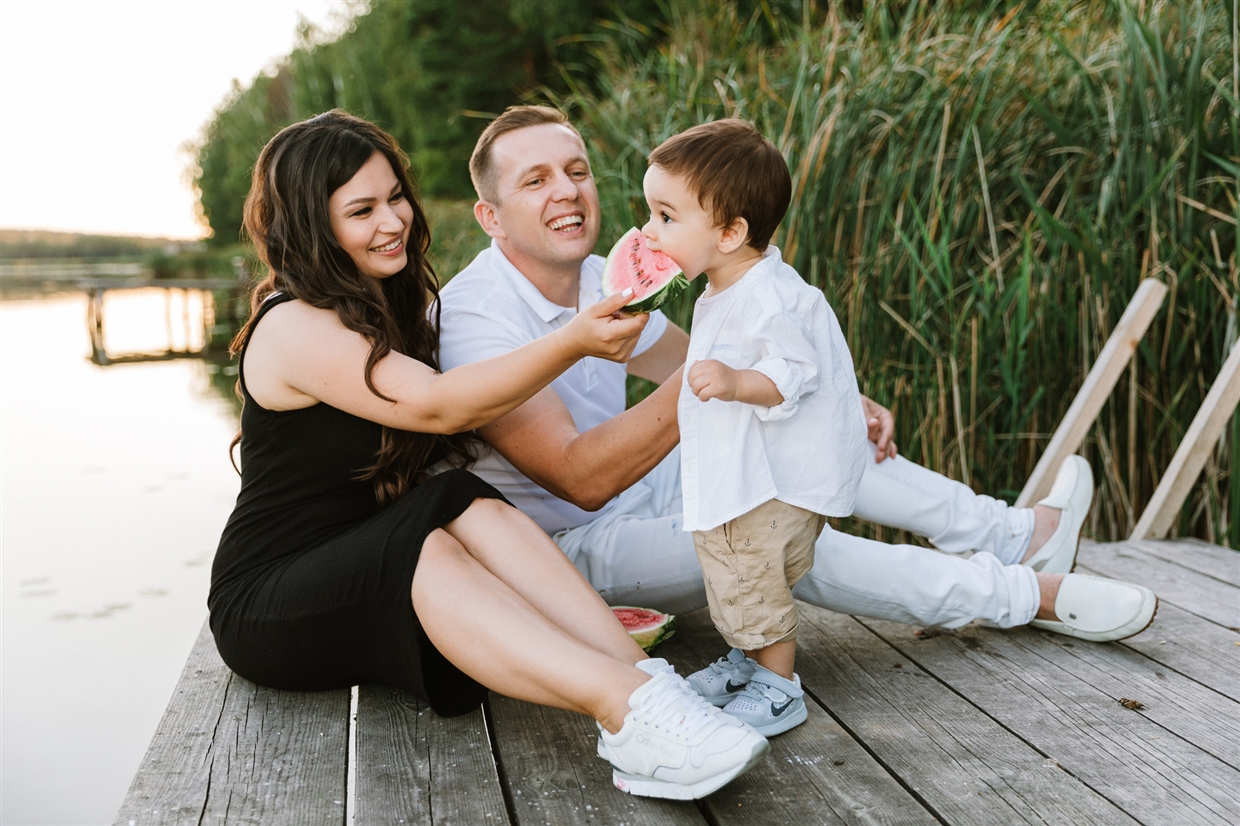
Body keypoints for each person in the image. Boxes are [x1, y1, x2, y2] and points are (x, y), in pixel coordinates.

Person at [436, 106, 1158, 691]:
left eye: (577, 170)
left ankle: (1010, 534)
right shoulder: (477, 316)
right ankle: (1029, 598)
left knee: (789, 429)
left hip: (647, 491)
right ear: (490, 217)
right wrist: (719, 386)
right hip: (568, 547)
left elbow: (703, 366)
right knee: (768, 543)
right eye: (535, 181)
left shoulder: (607, 275)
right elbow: (579, 478)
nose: (567, 190)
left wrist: (818, 389)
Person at [207, 110, 770, 801]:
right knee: (425, 536)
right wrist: (572, 341)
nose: (393, 222)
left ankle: (656, 697)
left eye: (395, 198)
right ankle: (625, 710)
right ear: (312, 226)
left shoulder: (386, 307)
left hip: (371, 557)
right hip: (270, 598)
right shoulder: (294, 324)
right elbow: (440, 405)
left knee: (453, 499)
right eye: (361, 210)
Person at [637, 119, 869, 735]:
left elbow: (794, 371)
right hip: (748, 474)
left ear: (730, 231)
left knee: (749, 574)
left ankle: (779, 687)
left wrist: (739, 382)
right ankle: (747, 660)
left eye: (664, 216)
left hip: (768, 483)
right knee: (740, 576)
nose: (646, 231)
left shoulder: (769, 296)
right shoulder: (730, 280)